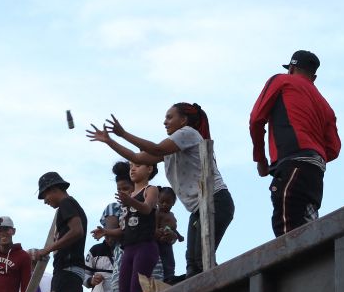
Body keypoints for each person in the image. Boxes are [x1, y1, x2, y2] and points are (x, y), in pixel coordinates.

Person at [87, 104, 235, 277]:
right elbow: (136, 157)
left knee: (202, 258)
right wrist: (110, 141)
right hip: (198, 209)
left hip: (215, 200)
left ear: (184, 120)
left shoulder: (188, 133)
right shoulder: (170, 150)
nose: (165, 122)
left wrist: (123, 133)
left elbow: (156, 148)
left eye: (170, 117)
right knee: (192, 264)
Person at [249, 49, 341, 236]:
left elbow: (256, 119)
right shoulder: (325, 106)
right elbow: (333, 149)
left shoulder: (281, 80)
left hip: (293, 163)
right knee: (308, 223)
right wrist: (313, 150)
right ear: (313, 77)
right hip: (315, 172)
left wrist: (260, 160)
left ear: (291, 68)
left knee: (286, 227)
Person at [29, 172, 88, 292]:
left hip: (67, 270)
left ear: (54, 189)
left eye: (45, 195)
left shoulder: (67, 204)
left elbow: (76, 231)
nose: (45, 201)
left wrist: (45, 250)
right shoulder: (71, 206)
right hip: (72, 271)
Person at [93, 162, 160, 292]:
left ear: (149, 169)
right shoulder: (126, 202)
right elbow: (124, 230)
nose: (133, 169)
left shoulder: (151, 190)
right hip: (128, 250)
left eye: (137, 165)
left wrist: (130, 201)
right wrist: (106, 231)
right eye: (130, 166)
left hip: (144, 246)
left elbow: (147, 209)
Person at [152, 187, 183, 282]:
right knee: (162, 260)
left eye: (168, 202)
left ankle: (170, 275)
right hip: (160, 241)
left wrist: (178, 235)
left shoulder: (172, 215)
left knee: (169, 259)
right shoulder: (157, 213)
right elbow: (154, 227)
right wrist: (158, 232)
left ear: (173, 203)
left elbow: (174, 229)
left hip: (168, 242)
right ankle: (165, 277)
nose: (164, 204)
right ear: (157, 200)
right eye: (162, 202)